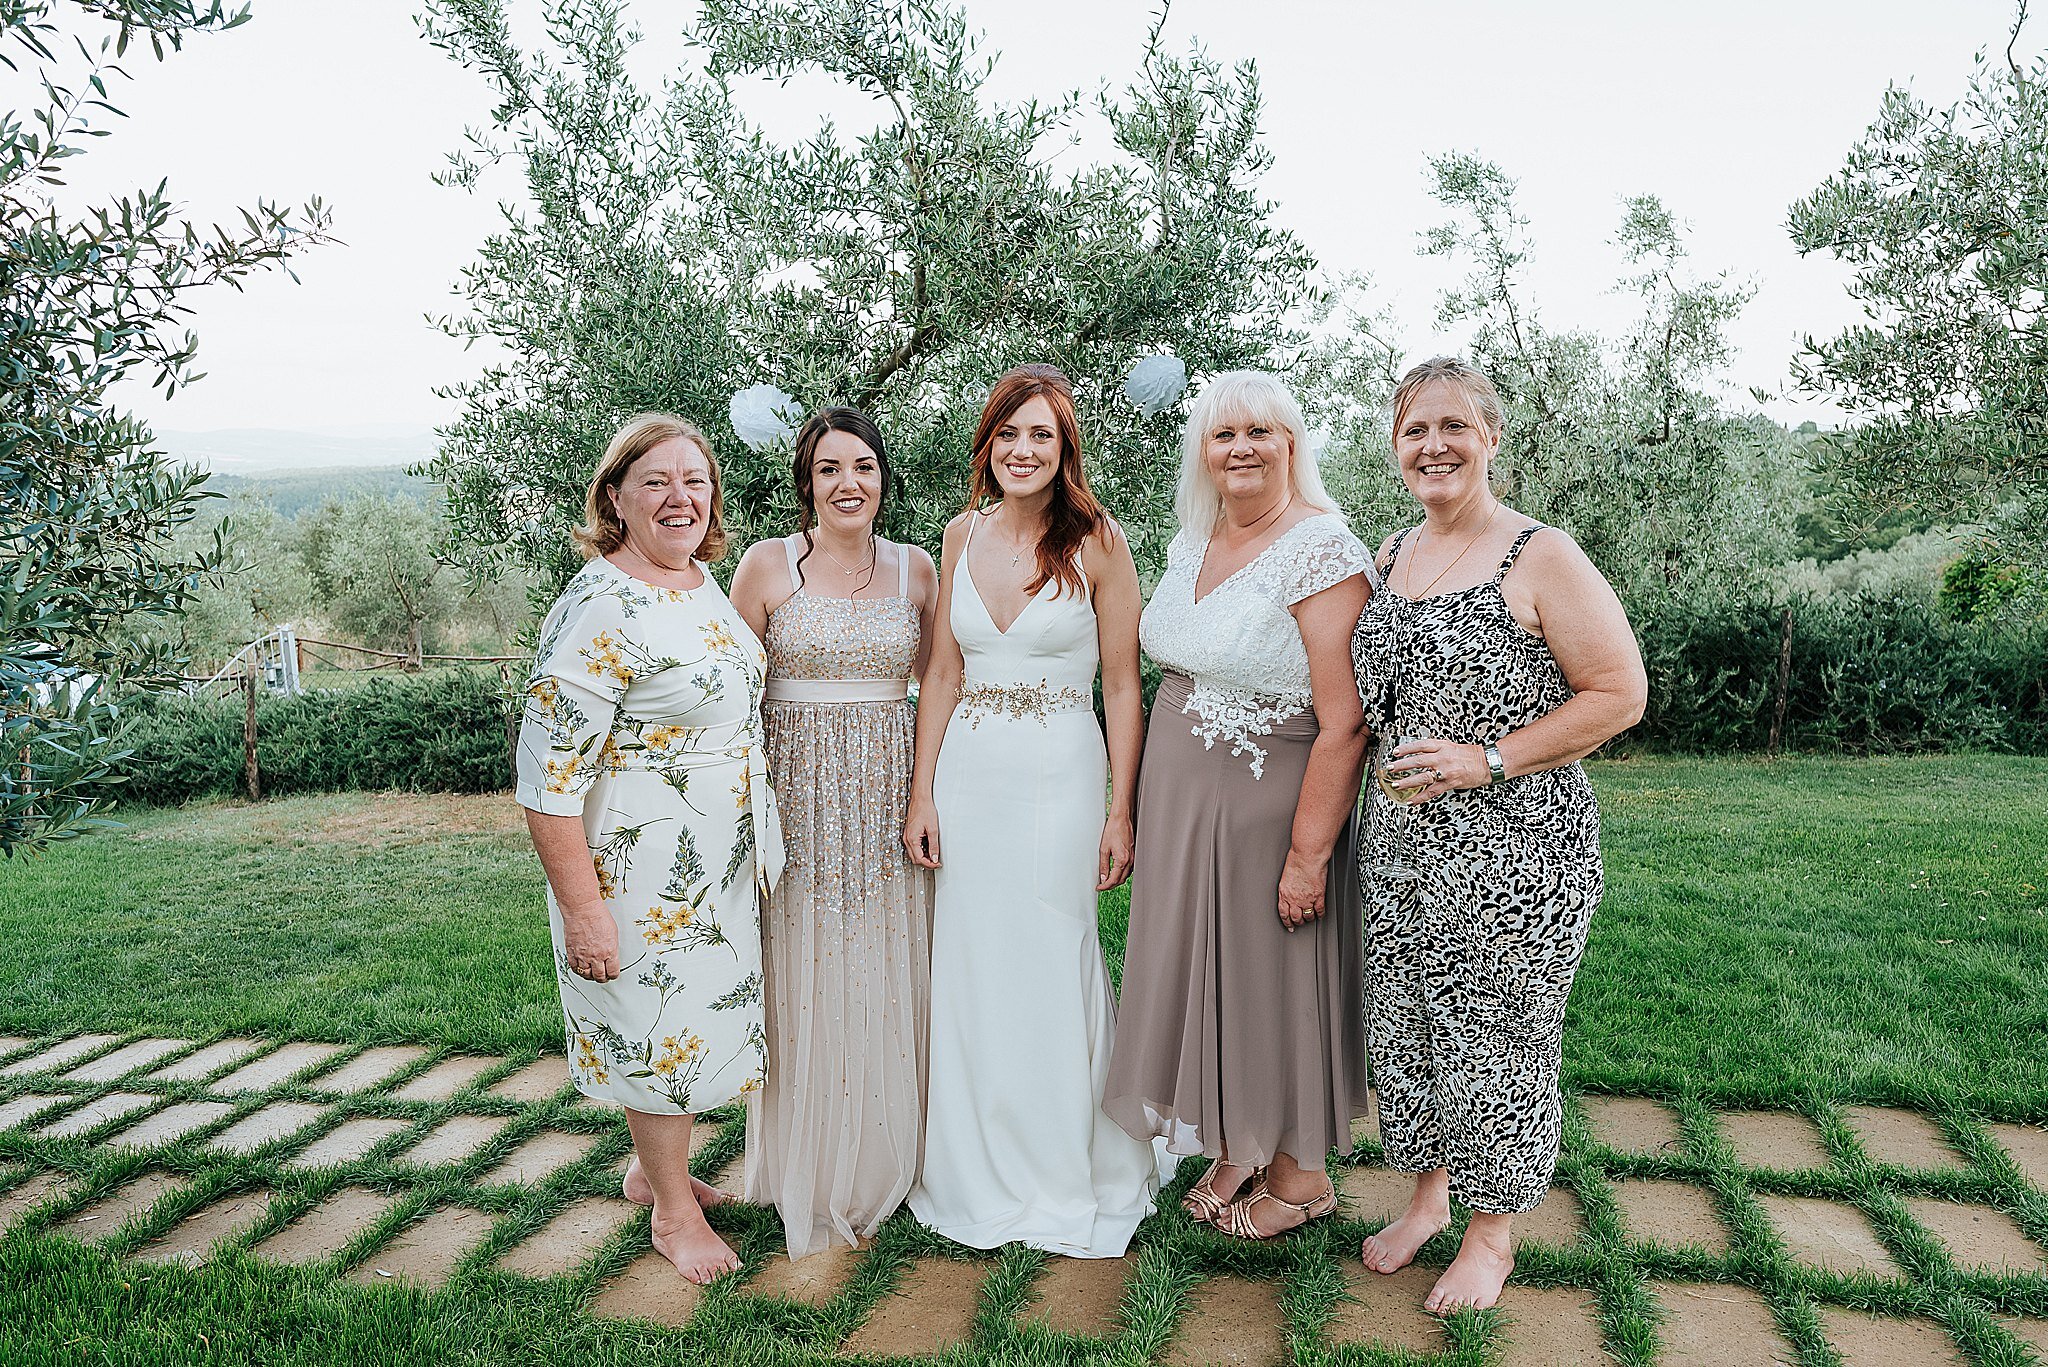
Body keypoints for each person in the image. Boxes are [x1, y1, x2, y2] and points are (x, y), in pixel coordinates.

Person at [1352, 357, 1646, 1312]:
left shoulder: (1540, 556)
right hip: (1399, 844)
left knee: (1496, 1038)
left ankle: (1493, 1234)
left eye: (1451, 426)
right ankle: (1430, 1196)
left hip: (1516, 845)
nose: (1431, 445)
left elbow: (1620, 694)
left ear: (1490, 438)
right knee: (1412, 1030)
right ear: (1395, 447)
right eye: (1413, 430)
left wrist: (1490, 759)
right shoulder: (1394, 551)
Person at [1103, 369, 1373, 1241]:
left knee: (1272, 978)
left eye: (1262, 431)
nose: (1243, 448)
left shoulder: (1323, 547)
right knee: (1205, 970)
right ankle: (1236, 1141)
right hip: (1183, 796)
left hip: (1273, 800)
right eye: (1225, 436)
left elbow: (1346, 721)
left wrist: (1308, 854)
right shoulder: (1195, 537)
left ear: (1294, 443)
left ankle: (1302, 1176)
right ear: (1204, 454)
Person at [513, 412, 780, 1285]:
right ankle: (672, 1212)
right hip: (637, 871)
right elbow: (547, 778)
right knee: (655, 1030)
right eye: (656, 481)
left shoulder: (699, 583)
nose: (680, 497)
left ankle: (649, 1170)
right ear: (615, 497)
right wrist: (584, 908)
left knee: (694, 1027)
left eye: (694, 480)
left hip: (719, 867)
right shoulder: (598, 603)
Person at [901, 363, 1160, 1258]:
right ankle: (972, 1163)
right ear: (988, 443)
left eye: (1041, 435)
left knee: (1054, 951)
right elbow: (942, 671)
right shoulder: (959, 531)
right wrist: (923, 790)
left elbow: (1124, 687)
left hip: (1060, 771)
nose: (1023, 449)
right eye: (1009, 433)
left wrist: (1120, 811)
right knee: (973, 959)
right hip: (971, 775)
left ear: (1064, 449)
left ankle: (1065, 1162)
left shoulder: (1099, 541)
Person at [728, 407, 938, 1259]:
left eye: (863, 466)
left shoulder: (920, 570)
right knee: (805, 965)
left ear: (884, 477)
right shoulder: (764, 566)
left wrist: (928, 793)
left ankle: (894, 1152)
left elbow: (943, 687)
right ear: (805, 483)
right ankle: (805, 1163)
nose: (847, 483)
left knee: (888, 966)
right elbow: (729, 691)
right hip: (799, 801)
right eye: (828, 469)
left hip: (891, 803)